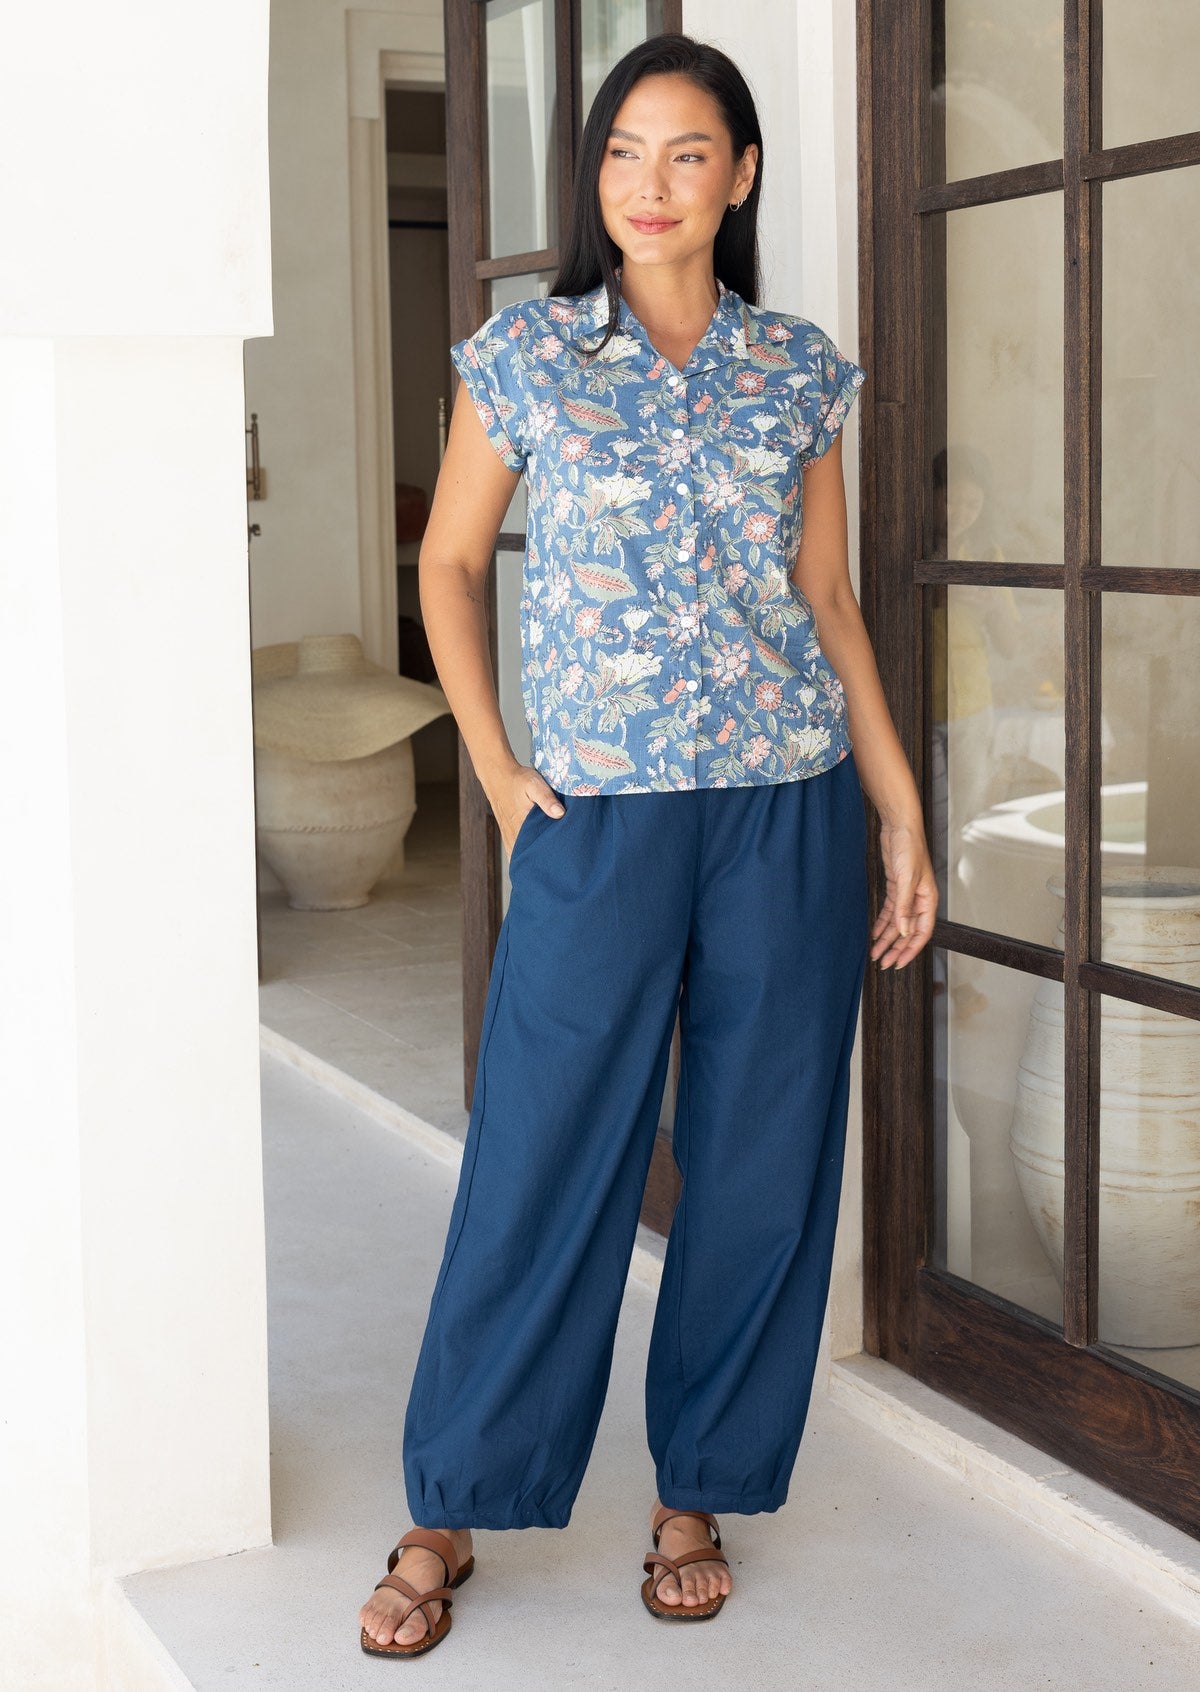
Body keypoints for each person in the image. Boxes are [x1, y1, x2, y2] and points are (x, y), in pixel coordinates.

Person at [359, 32, 936, 1660]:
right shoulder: (528, 356)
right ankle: (447, 1504)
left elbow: (826, 602)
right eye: (624, 153)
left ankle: (696, 1490)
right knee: (542, 1154)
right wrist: (496, 767)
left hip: (786, 812)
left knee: (760, 1160)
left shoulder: (800, 369)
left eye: (688, 154)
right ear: (594, 176)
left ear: (741, 176)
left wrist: (895, 808)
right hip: (600, 818)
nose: (651, 184)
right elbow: (453, 568)